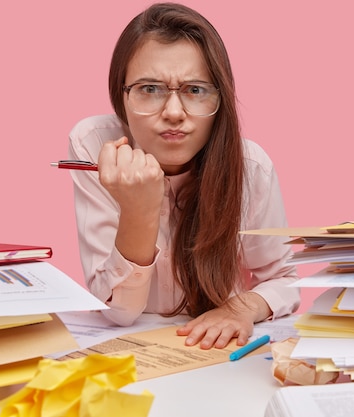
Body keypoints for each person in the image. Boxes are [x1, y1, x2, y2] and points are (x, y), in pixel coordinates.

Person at [68, 2, 300, 350]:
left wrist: (240, 308)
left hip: (216, 354)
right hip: (127, 353)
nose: (174, 113)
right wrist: (139, 210)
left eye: (194, 90)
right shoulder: (95, 144)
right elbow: (120, 310)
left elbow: (284, 278)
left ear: (219, 97)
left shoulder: (251, 167)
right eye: (149, 89)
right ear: (122, 95)